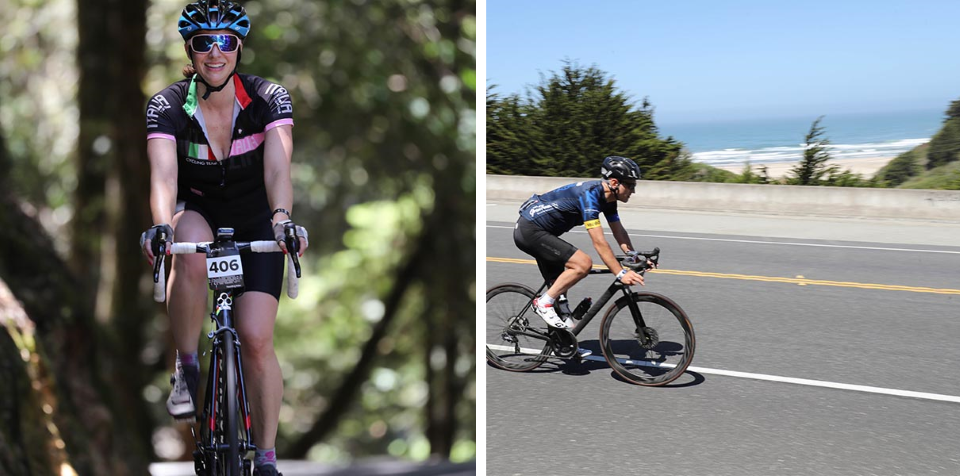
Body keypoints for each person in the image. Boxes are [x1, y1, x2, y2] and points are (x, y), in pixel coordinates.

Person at [139, 1, 306, 474]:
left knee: (256, 339)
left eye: (226, 42)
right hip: (198, 212)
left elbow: (278, 166)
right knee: (187, 247)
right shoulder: (168, 105)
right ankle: (188, 365)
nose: (215, 52)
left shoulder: (268, 97)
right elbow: (163, 177)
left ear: (238, 48)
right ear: (189, 51)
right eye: (203, 43)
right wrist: (160, 224)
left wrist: (281, 220)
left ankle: (268, 457)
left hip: (258, 220)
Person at [514, 156, 648, 342]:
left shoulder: (609, 199)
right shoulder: (590, 195)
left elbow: (619, 231)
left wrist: (634, 256)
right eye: (631, 185)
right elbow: (599, 241)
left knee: (563, 304)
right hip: (530, 230)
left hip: (545, 233)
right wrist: (619, 273)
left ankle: (562, 343)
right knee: (582, 263)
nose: (633, 191)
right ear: (615, 183)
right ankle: (542, 303)